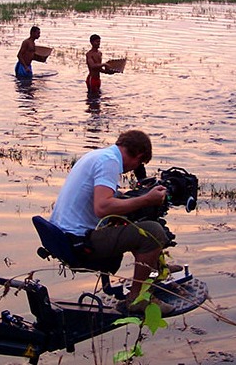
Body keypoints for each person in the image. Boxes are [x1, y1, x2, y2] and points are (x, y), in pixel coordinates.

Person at [50, 130, 175, 315]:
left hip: (63, 235)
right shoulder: (110, 162)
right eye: (139, 165)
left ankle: (154, 270)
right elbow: (102, 208)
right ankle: (138, 299)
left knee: (136, 222)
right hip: (78, 242)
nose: (133, 170)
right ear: (139, 156)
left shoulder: (98, 155)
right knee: (154, 232)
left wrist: (130, 198)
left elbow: (103, 199)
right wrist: (146, 200)